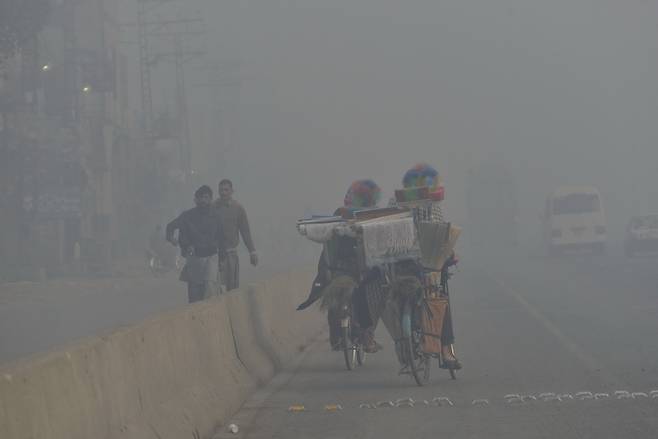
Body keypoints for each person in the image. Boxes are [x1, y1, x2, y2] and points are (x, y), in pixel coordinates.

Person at [166, 185, 224, 303]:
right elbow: (170, 226)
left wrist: (222, 259)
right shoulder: (187, 216)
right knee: (194, 293)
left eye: (206, 197)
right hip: (194, 257)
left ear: (211, 199)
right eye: (200, 198)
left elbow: (222, 238)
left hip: (211, 256)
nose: (203, 200)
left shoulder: (216, 216)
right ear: (195, 200)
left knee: (210, 288)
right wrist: (171, 239)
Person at [214, 179, 258, 291]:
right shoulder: (213, 207)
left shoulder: (238, 208)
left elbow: (245, 231)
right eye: (221, 190)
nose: (223, 192)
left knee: (232, 287)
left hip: (231, 254)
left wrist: (252, 251)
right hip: (215, 255)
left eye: (226, 190)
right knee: (217, 287)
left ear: (232, 191)